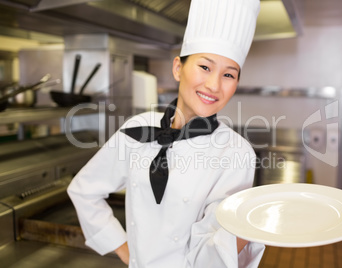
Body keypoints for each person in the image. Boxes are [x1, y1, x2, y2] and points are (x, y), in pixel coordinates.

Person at [67, 0, 265, 267]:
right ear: (177, 68)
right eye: (205, 67)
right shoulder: (138, 129)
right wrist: (127, 253)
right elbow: (84, 190)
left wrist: (246, 232)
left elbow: (213, 255)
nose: (214, 85)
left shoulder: (236, 152)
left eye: (229, 75)